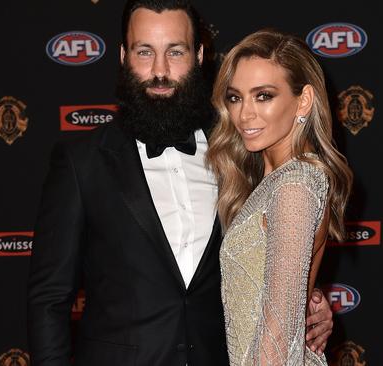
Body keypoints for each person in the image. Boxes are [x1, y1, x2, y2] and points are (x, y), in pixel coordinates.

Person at [27, 1, 333, 365]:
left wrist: (307, 301)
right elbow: (49, 299)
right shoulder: (81, 163)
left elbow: (271, 260)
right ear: (124, 56)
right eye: (145, 52)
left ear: (199, 55)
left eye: (175, 52)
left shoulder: (241, 153)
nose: (160, 71)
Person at [206, 29, 353, 365]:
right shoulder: (275, 180)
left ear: (302, 101)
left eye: (264, 96)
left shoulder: (294, 186)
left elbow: (277, 334)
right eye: (235, 97)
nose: (245, 114)